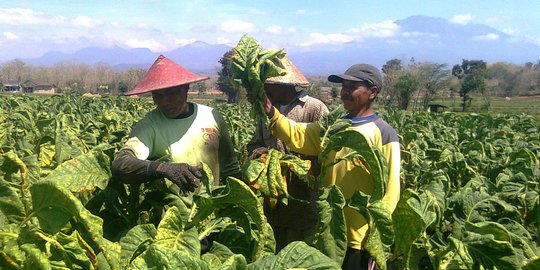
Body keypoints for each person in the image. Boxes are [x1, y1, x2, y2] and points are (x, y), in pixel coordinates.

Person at [253, 64, 400, 269]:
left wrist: (375, 236)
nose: (345, 92)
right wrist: (271, 112)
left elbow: (391, 191)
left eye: (352, 87)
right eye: (344, 86)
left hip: (359, 235)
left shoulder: (383, 133)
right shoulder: (333, 126)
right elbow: (299, 135)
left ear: (372, 92)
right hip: (327, 228)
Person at [112, 55, 241, 197]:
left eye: (171, 93)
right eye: (157, 95)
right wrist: (162, 168)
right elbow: (121, 163)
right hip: (173, 215)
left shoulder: (212, 116)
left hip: (210, 212)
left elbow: (230, 168)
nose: (164, 101)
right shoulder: (149, 125)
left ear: (185, 88)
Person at [247, 56, 329, 251]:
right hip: (273, 196)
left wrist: (298, 164)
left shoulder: (314, 108)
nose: (263, 91)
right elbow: (254, 143)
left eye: (268, 86)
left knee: (299, 249)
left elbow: (327, 150)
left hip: (304, 196)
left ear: (286, 85)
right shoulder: (265, 110)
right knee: (274, 246)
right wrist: (261, 154)